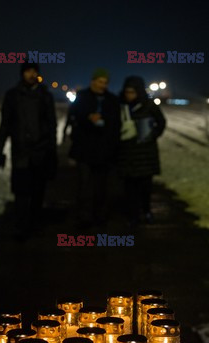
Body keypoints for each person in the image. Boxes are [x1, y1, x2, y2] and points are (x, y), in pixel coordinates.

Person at [0, 60, 57, 239]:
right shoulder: (12, 96)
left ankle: (34, 223)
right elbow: (5, 124)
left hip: (41, 151)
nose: (31, 74)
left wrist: (52, 150)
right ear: (22, 73)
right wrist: (0, 151)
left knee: (38, 190)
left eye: (34, 71)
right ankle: (21, 226)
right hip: (21, 151)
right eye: (27, 71)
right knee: (21, 192)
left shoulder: (45, 96)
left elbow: (51, 124)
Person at [69, 68, 121, 227]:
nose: (102, 85)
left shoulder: (112, 99)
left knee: (102, 186)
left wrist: (104, 119)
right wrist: (88, 117)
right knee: (84, 185)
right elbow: (74, 116)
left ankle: (99, 215)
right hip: (85, 149)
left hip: (104, 150)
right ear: (93, 81)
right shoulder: (83, 97)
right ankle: (83, 216)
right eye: (100, 82)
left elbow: (116, 122)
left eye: (105, 82)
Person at [118, 76, 166, 227]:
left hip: (145, 153)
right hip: (127, 152)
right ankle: (133, 215)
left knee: (145, 186)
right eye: (127, 92)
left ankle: (146, 211)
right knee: (130, 186)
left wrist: (152, 134)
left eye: (132, 92)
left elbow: (161, 122)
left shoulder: (149, 105)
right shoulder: (121, 106)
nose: (129, 95)